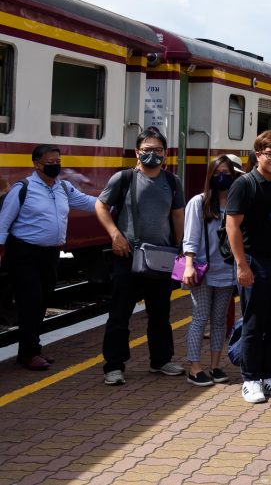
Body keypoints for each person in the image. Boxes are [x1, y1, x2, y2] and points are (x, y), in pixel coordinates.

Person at [96, 127, 185, 386]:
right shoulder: (123, 178)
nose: (152, 154)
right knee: (120, 314)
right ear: (137, 152)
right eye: (147, 150)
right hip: (128, 256)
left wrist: (179, 247)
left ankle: (161, 360)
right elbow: (100, 205)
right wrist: (115, 234)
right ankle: (114, 366)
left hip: (161, 257)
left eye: (158, 150)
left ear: (165, 153)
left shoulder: (172, 182)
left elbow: (177, 214)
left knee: (160, 313)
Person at [0, 144, 97, 370]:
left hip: (51, 254)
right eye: (50, 163)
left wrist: (114, 202)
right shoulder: (23, 188)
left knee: (42, 301)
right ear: (37, 164)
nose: (55, 166)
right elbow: (4, 222)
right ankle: (28, 354)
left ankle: (32, 349)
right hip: (24, 253)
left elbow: (88, 202)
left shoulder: (63, 187)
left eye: (58, 162)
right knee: (30, 302)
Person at [225, 130, 271, 403]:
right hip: (254, 261)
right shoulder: (245, 184)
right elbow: (232, 226)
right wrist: (242, 265)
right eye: (270, 154)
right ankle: (250, 378)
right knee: (254, 322)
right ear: (258, 155)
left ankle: (270, 374)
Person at [181, 155, 243, 386]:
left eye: (227, 173)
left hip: (227, 270)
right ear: (210, 176)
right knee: (200, 317)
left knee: (219, 320)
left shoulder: (236, 202)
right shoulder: (198, 202)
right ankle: (194, 367)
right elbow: (190, 238)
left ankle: (216, 365)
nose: (222, 177)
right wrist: (189, 265)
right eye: (217, 173)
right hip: (202, 270)